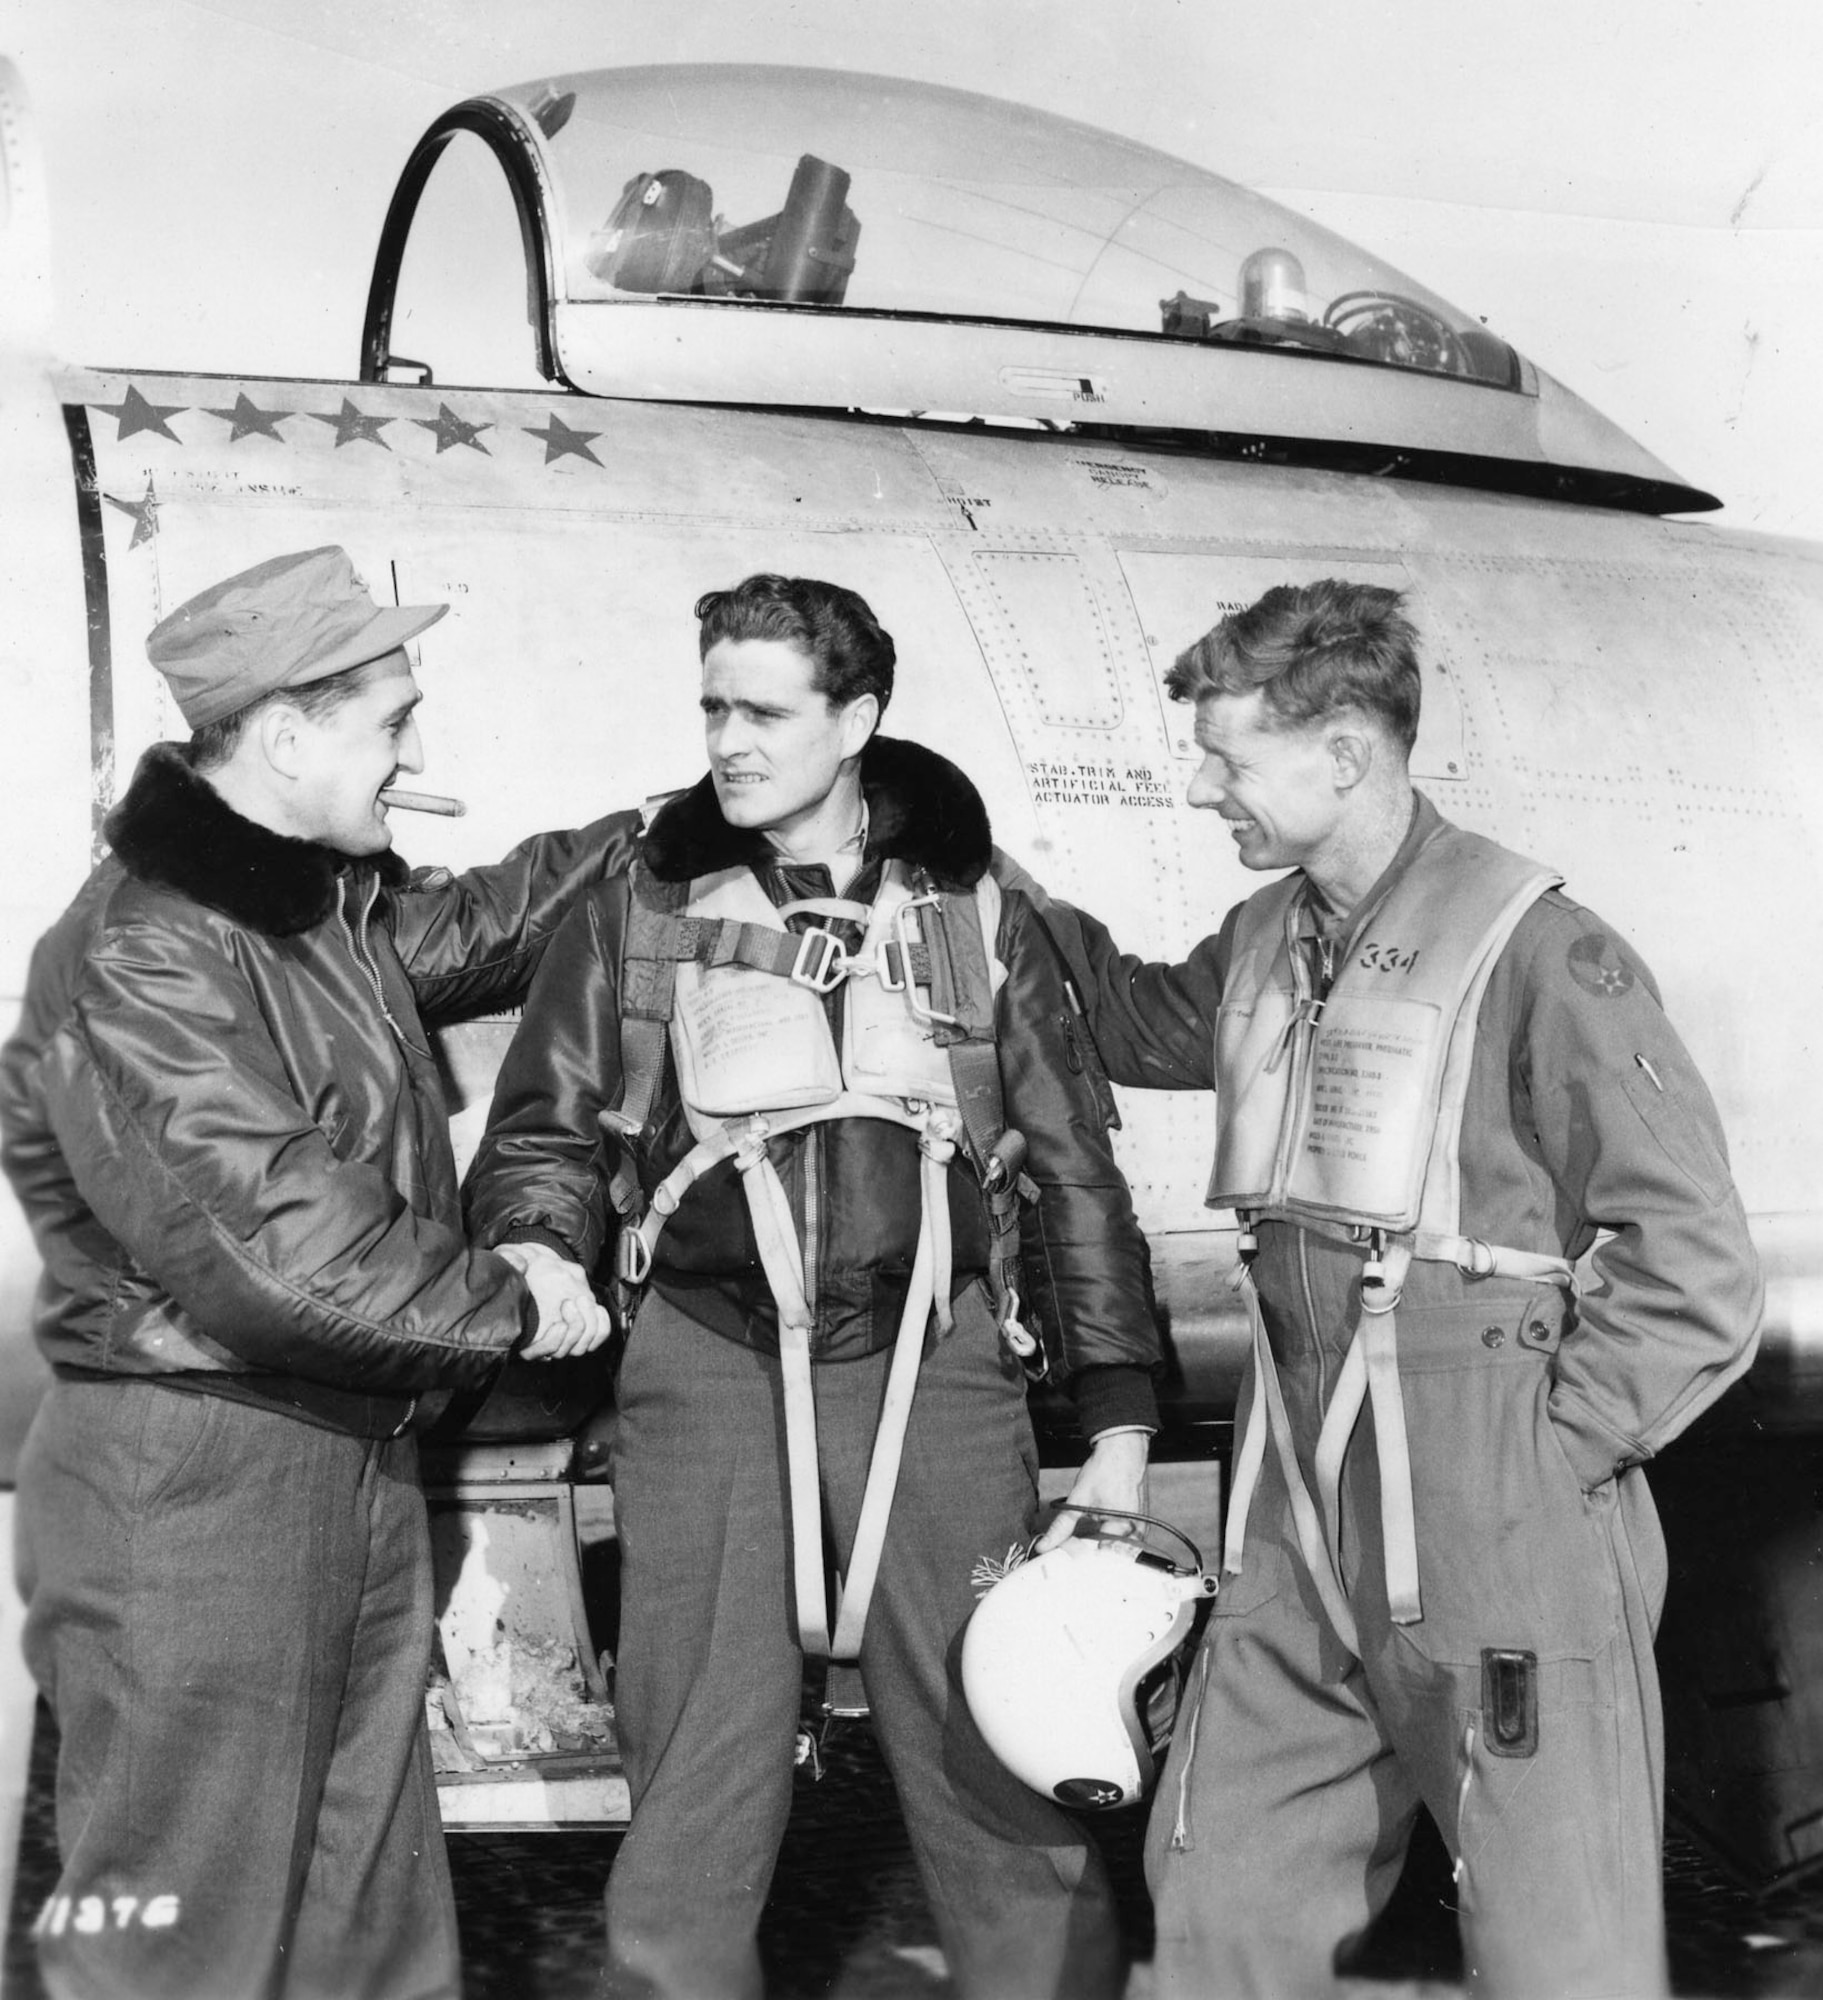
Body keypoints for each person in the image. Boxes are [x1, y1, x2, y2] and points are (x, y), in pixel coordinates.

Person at [1058, 579, 1763, 1998]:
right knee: (1222, 1890)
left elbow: (1695, 1264)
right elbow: (1134, 1018)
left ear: (1345, 757)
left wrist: (1540, 1456)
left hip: (1494, 1475)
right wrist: (988, 885)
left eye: (1229, 758)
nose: (1202, 790)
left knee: (1557, 1932)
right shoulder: (1269, 939)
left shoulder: (1542, 949)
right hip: (1300, 1480)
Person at [464, 572, 1161, 2000]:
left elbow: (1074, 1168)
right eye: (714, 704)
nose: (728, 739)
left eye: (765, 710)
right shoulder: (641, 906)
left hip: (941, 1365)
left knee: (1002, 1760)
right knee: (696, 1783)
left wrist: (1122, 1421)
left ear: (857, 719)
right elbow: (545, 1126)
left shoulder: (973, 906)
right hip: (708, 1370)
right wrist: (538, 1237)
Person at [0, 546, 634, 2000]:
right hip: (201, 1478)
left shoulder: (313, 911)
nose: (414, 758)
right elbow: (273, 1253)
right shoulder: (147, 954)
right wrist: (518, 1294)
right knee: (184, 1930)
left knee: (364, 1909)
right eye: (391, 724)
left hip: (341, 1455)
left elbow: (476, 924)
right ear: (286, 738)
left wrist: (654, 832)